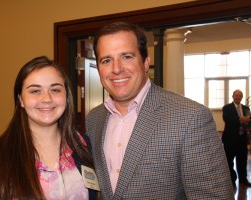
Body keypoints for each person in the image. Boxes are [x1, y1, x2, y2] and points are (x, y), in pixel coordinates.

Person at [86, 21, 234, 199]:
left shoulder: (191, 117)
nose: (116, 69)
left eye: (127, 56)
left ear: (145, 62)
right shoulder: (94, 119)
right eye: (106, 60)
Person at [0, 56, 97, 200]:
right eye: (35, 91)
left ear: (66, 97)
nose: (47, 98)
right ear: (21, 100)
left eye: (55, 90)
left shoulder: (84, 146)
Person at [222, 89, 251, 187]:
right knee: (229, 161)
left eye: (240, 95)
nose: (238, 97)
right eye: (236, 95)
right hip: (230, 139)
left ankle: (243, 179)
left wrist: (248, 124)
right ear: (233, 96)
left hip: (242, 139)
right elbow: (228, 120)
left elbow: (249, 121)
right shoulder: (227, 108)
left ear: (242, 97)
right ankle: (232, 179)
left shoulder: (246, 108)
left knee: (242, 161)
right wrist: (241, 119)